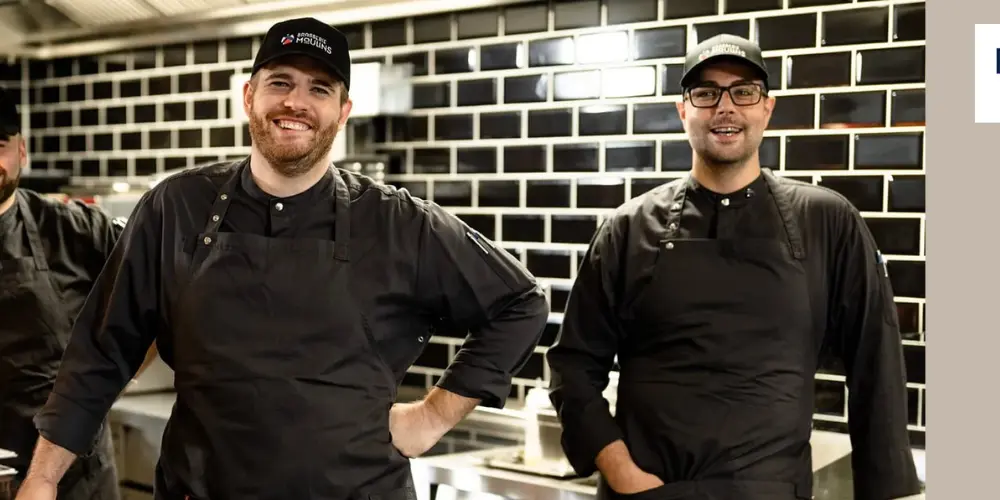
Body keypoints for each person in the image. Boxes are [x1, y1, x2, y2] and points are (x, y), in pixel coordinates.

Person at [14, 16, 549, 500]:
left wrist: (432, 416)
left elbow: (521, 302)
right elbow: (100, 354)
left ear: (342, 112)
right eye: (281, 82)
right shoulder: (176, 206)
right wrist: (42, 478)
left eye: (319, 89)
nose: (296, 102)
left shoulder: (397, 221)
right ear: (249, 96)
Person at [545, 34, 922, 500]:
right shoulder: (628, 229)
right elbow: (572, 366)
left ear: (767, 108)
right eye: (706, 93)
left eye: (743, 91)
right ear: (683, 110)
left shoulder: (828, 221)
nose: (725, 107)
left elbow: (876, 366)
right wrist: (622, 474)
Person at [0, 86, 126, 499]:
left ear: (21, 151)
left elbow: (161, 294)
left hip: (73, 478)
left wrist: (112, 378)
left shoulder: (75, 231)